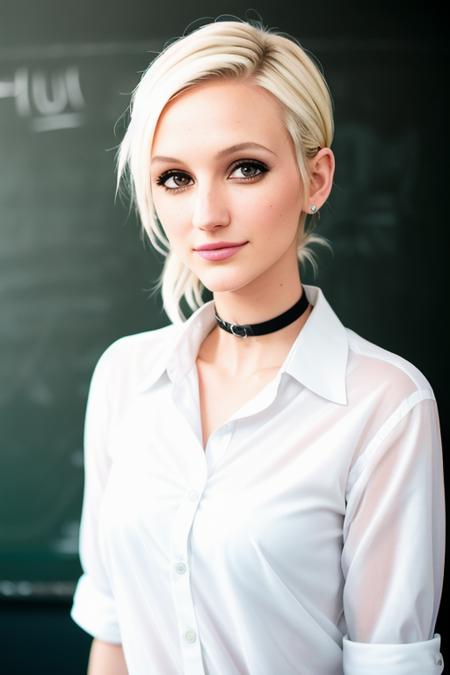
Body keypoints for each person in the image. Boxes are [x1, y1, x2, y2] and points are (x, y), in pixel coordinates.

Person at [70, 16, 445, 675]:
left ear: (316, 178)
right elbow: (115, 633)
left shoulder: (386, 405)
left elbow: (389, 664)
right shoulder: (124, 376)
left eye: (245, 168)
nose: (206, 214)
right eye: (175, 178)